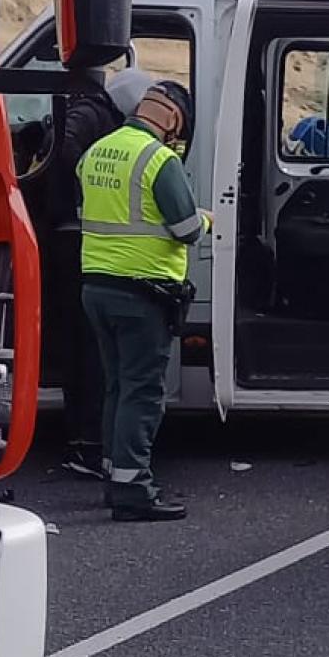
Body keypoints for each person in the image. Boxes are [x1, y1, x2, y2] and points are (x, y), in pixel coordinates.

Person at [78, 81, 210, 522]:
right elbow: (187, 229)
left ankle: (116, 476)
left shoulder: (96, 152)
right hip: (143, 294)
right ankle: (134, 491)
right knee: (142, 391)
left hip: (96, 287)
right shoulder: (159, 159)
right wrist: (209, 218)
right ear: (171, 118)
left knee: (116, 386)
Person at [43, 68, 154, 480]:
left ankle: (91, 441)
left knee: (91, 350)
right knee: (87, 353)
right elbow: (66, 148)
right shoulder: (90, 115)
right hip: (74, 242)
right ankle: (87, 445)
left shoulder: (93, 114)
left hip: (79, 243)